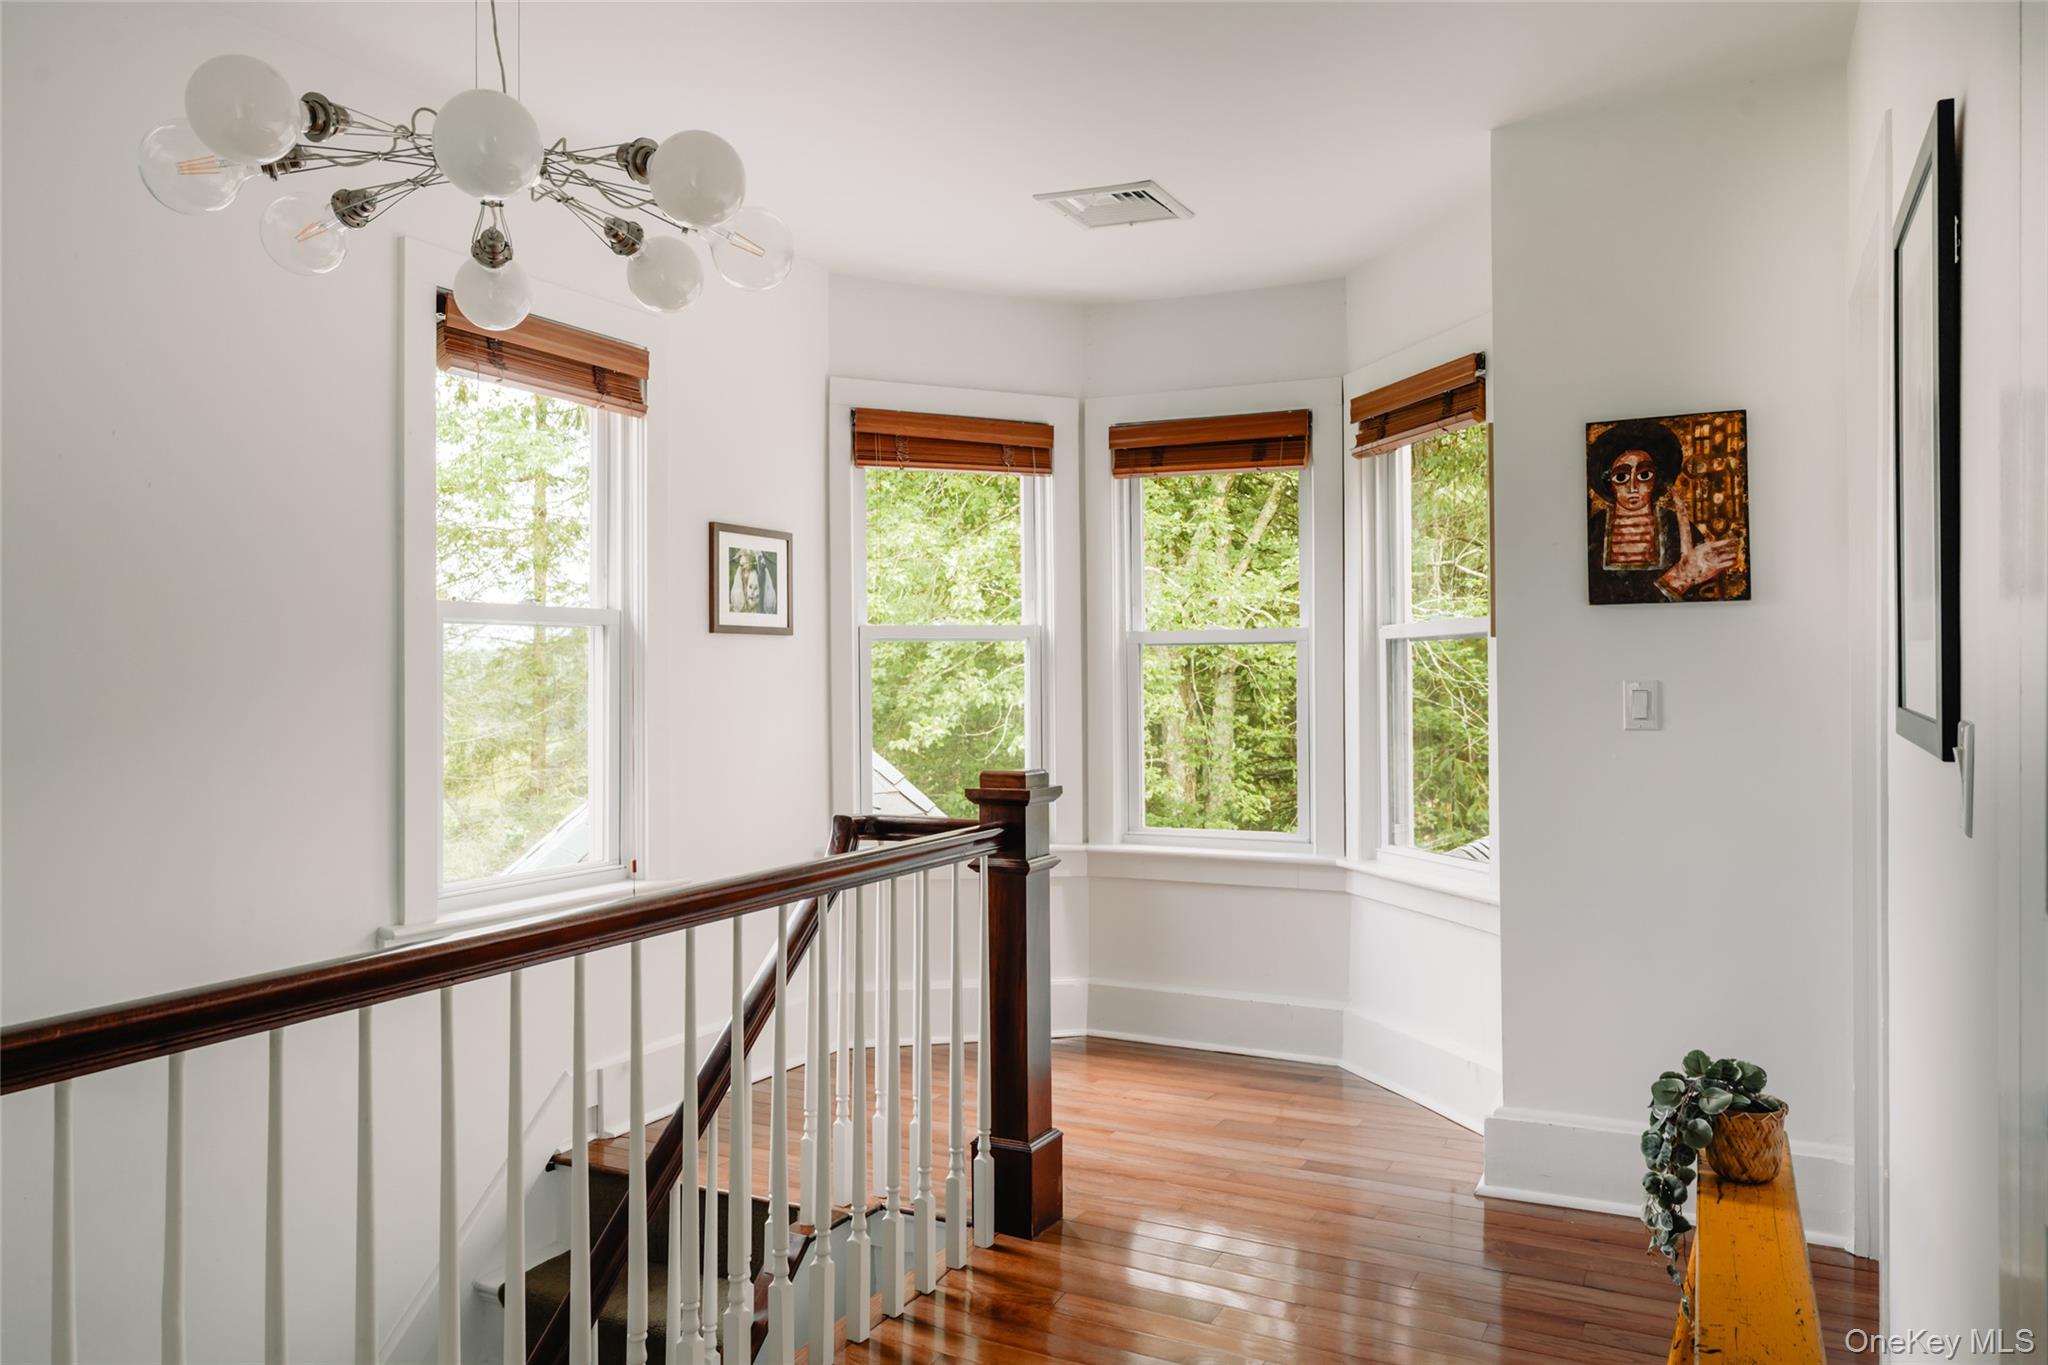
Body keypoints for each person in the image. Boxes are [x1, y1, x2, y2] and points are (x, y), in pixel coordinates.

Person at [1586, 419, 1738, 603]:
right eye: (1621, 477)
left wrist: (1690, 576)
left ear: (1656, 479)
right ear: (1609, 482)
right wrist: (1678, 578)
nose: (1633, 487)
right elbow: (1598, 597)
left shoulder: (1676, 527)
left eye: (1644, 475)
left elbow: (1707, 597)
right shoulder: (1595, 530)